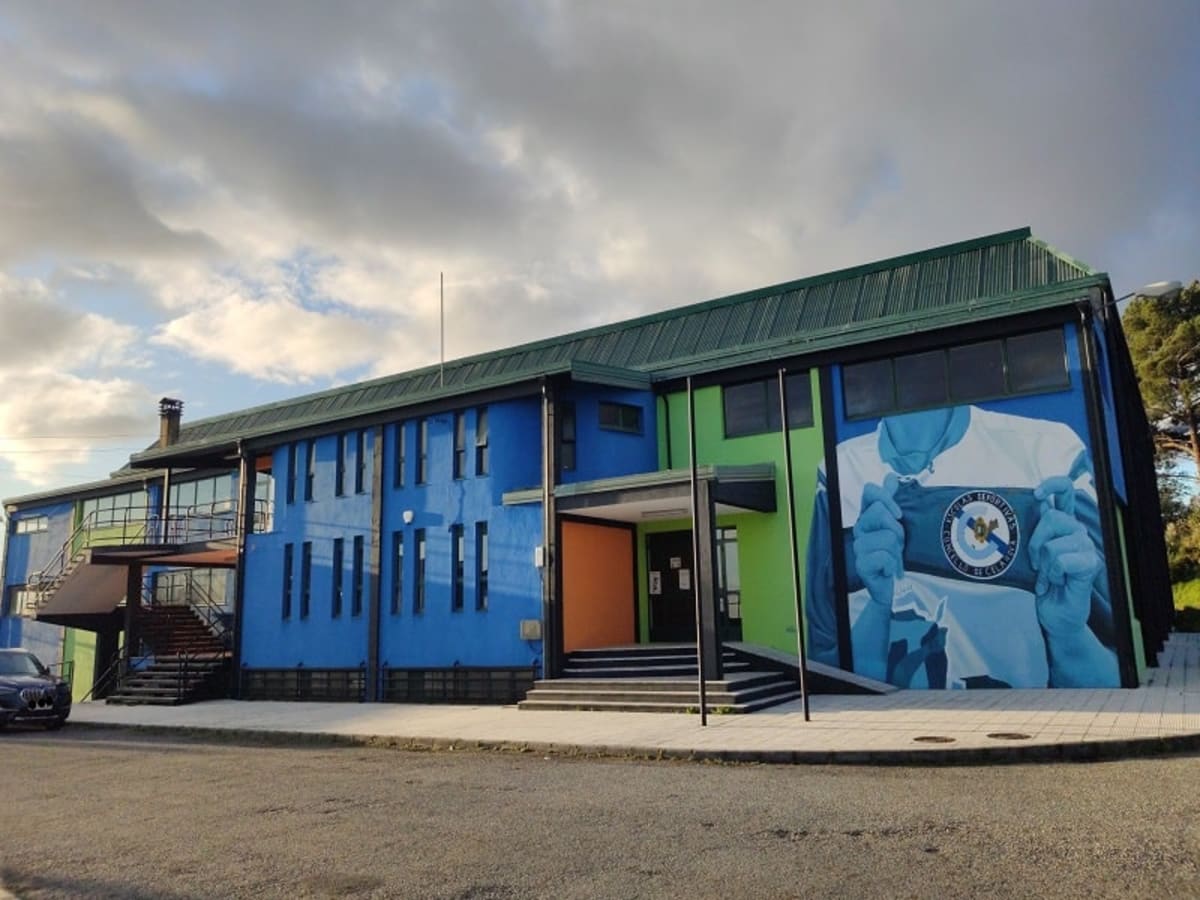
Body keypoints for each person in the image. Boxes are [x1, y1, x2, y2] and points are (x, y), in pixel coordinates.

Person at [805, 404, 1119, 689]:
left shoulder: (1050, 451)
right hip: (896, 735)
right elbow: (828, 675)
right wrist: (878, 606)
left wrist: (1067, 634)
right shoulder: (838, 472)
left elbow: (1115, 679)